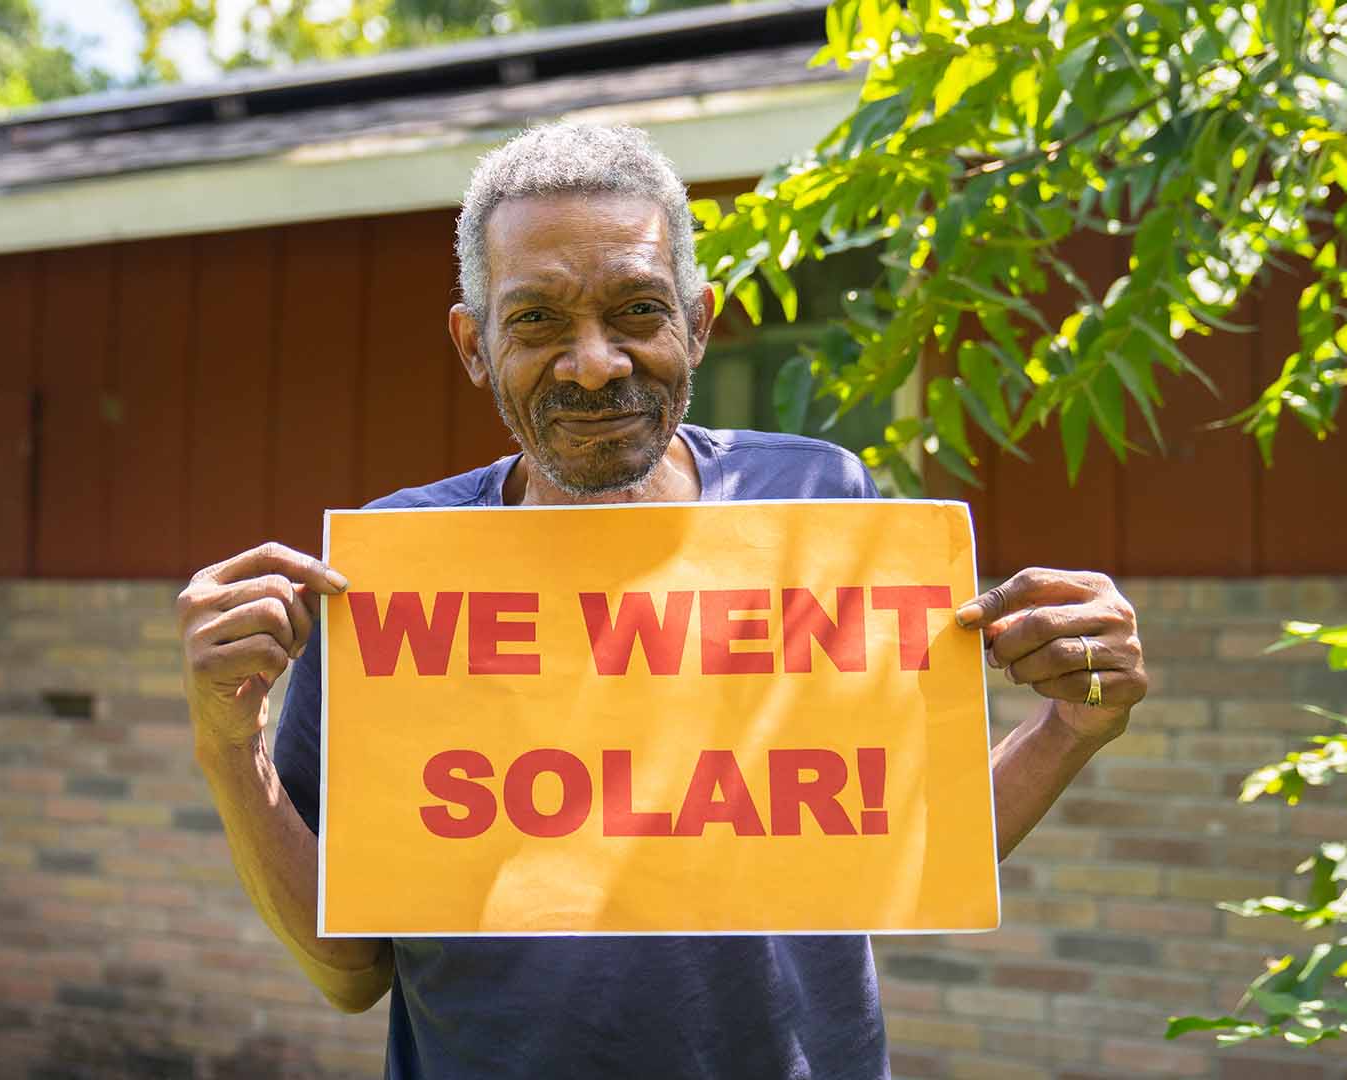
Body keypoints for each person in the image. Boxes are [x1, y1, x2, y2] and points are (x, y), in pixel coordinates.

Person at [177, 122, 1148, 1079]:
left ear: (700, 323)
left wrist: (1072, 727)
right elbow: (351, 973)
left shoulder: (818, 505)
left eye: (637, 310)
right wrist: (229, 745)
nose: (594, 361)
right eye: (537, 320)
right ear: (473, 346)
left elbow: (912, 849)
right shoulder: (394, 569)